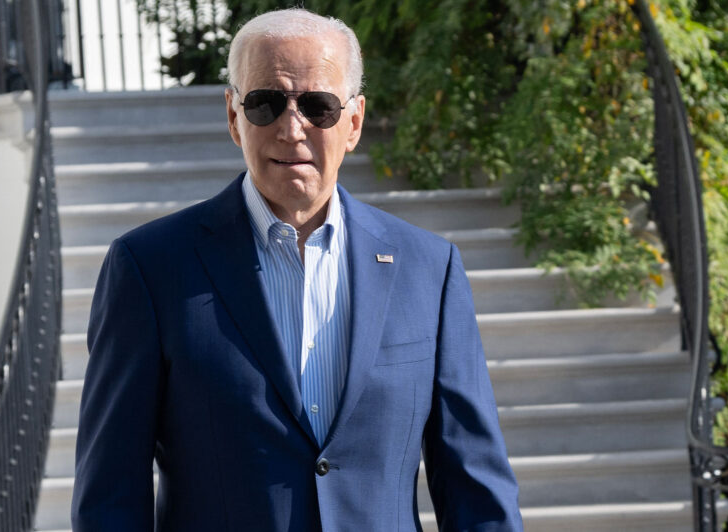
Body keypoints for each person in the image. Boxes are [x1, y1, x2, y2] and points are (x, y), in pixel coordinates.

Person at [71, 8, 522, 531]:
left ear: (353, 122)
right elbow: (110, 495)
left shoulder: (429, 269)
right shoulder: (149, 268)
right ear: (233, 117)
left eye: (318, 106)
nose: (291, 128)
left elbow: (476, 487)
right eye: (264, 103)